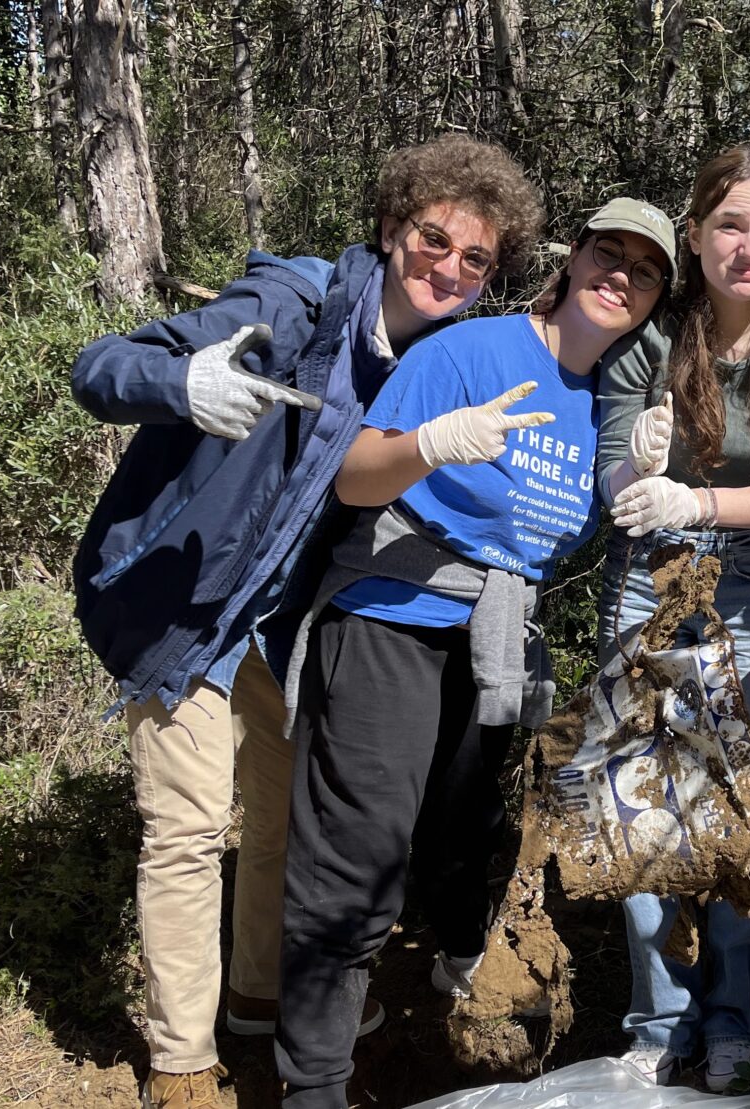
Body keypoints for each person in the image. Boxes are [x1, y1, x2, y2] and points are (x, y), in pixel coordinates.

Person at [69, 134, 544, 1109]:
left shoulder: (433, 365)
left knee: (285, 817)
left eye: (475, 259)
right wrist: (182, 383)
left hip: (283, 627)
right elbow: (100, 366)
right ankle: (182, 1063)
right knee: (190, 826)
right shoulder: (295, 305)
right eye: (433, 238)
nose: (448, 267)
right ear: (390, 223)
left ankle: (257, 992)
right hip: (183, 600)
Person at [273, 198, 675, 1108]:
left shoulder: (602, 395)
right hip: (393, 616)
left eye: (643, 271)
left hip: (494, 643)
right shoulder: (469, 351)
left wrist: (634, 475)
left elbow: (566, 521)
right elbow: (356, 470)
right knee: (356, 857)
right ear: (571, 262)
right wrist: (431, 442)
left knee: (463, 840)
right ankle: (313, 1087)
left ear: (654, 300)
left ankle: (458, 985)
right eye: (606, 255)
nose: (620, 276)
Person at [595, 146, 750, 1091]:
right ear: (694, 236)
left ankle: (738, 1017)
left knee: (747, 808)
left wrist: (697, 503)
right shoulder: (650, 340)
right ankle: (659, 1020)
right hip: (645, 580)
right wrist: (636, 472)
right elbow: (610, 472)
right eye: (731, 225)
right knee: (642, 805)